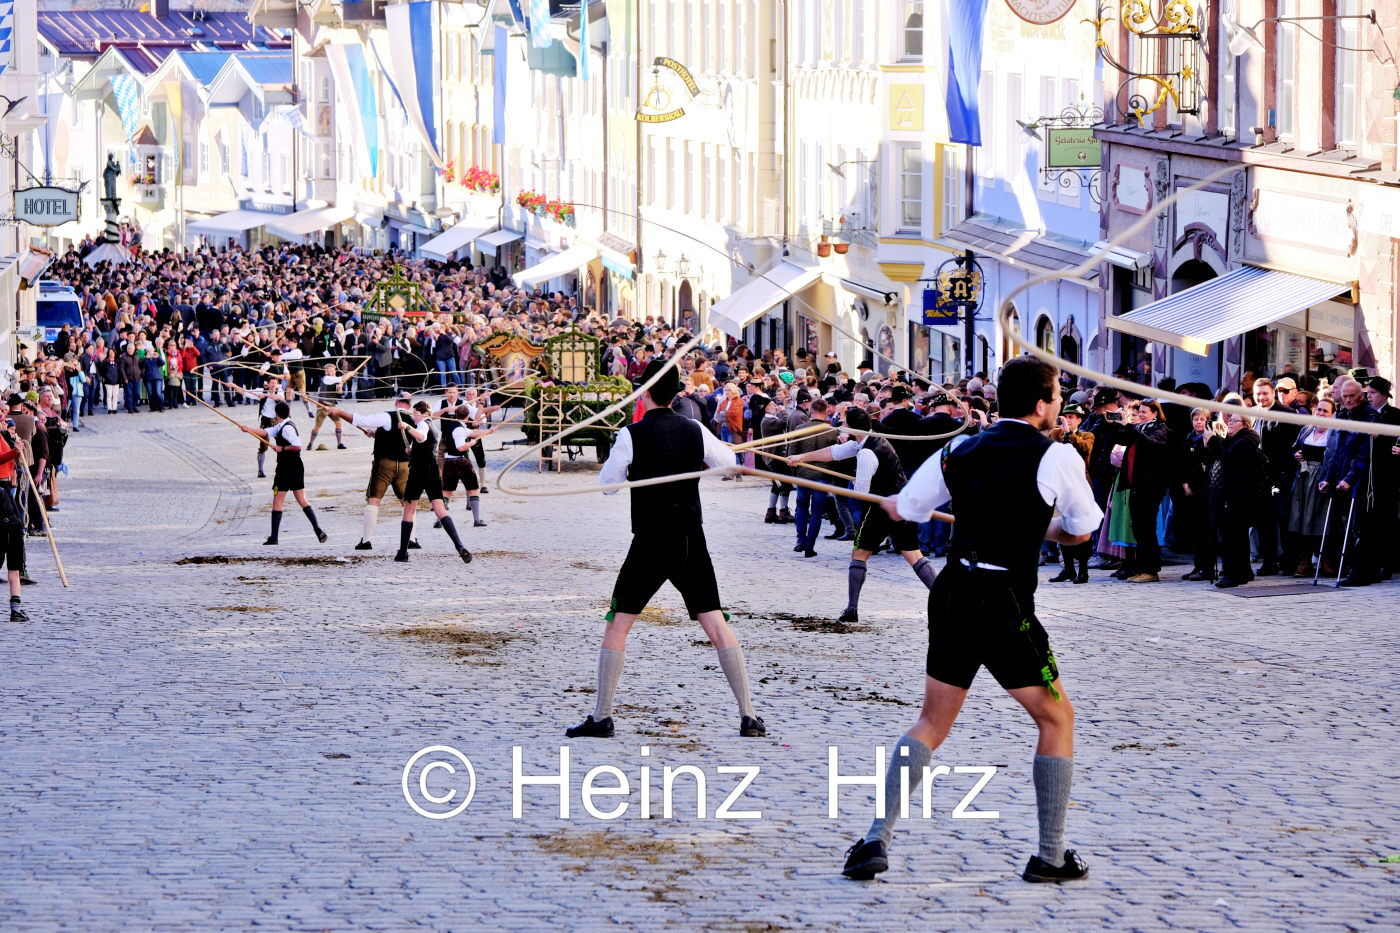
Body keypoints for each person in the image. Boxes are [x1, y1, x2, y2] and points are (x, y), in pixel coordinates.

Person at [840, 357, 1102, 884]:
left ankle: (874, 840)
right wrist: (1036, 525)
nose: (1059, 405)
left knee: (931, 722)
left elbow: (910, 508)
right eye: (1057, 397)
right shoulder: (1057, 455)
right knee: (1057, 718)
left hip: (954, 593)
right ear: (1041, 404)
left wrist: (896, 503)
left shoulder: (959, 448)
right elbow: (1080, 532)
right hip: (1005, 601)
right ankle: (1051, 856)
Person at [567, 358, 767, 740]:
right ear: (676, 394)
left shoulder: (631, 434)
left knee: (618, 623)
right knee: (716, 623)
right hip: (690, 537)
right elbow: (729, 464)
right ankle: (749, 715)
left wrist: (635, 468)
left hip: (651, 539)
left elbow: (608, 486)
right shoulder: (695, 429)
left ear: (645, 392)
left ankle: (602, 717)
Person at [788, 406, 939, 625]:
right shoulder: (866, 440)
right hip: (902, 502)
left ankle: (852, 609)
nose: (842, 426)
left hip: (881, 507)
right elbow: (834, 453)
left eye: (844, 423)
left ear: (852, 428)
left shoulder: (867, 453)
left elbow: (860, 493)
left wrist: (853, 479)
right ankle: (945, 598)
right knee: (913, 554)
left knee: (859, 553)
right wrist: (802, 457)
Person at [327, 392, 421, 551]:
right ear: (410, 405)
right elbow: (398, 435)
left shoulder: (387, 416)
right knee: (407, 502)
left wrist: (339, 412)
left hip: (384, 464)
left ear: (396, 401)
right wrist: (376, 433)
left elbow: (362, 420)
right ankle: (411, 539)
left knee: (374, 500)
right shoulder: (413, 420)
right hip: (405, 466)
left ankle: (366, 541)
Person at [238, 401, 327, 546]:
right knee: (301, 499)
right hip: (295, 466)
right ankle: (317, 530)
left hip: (286, 467)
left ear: (276, 414)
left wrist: (282, 448)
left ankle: (274, 538)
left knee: (278, 499)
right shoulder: (281, 425)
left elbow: (298, 446)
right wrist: (248, 429)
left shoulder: (287, 429)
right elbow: (266, 432)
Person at [395, 401, 473, 564]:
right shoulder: (434, 427)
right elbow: (424, 445)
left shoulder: (423, 424)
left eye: (415, 413)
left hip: (418, 472)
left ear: (424, 413)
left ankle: (402, 553)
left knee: (409, 509)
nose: (413, 416)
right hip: (433, 471)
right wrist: (411, 451)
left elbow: (421, 437)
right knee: (440, 510)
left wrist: (407, 427)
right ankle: (460, 546)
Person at [1205, 412, 1267, 588]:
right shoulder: (1235, 439)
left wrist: (1213, 442)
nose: (1230, 423)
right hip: (1233, 493)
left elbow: (1229, 460)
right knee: (1237, 535)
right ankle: (1243, 572)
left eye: (1234, 420)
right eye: (1229, 420)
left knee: (1231, 536)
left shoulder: (1246, 441)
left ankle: (1232, 574)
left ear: (1245, 424)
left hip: (1238, 494)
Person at [1251, 378, 1295, 576]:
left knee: (1283, 520)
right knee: (1264, 522)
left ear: (1273, 393)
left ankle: (1288, 561)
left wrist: (1284, 473)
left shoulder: (1286, 414)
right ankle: (1269, 562)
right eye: (1258, 394)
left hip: (1279, 476)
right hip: (1258, 478)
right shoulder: (1252, 413)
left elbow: (1292, 447)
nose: (1261, 397)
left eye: (1265, 393)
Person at [1047, 402, 1094, 584]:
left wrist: (1068, 433)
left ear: (1079, 420)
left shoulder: (1086, 435)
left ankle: (1083, 570)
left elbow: (1084, 449)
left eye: (1071, 417)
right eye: (1065, 417)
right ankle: (1068, 569)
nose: (1067, 420)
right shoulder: (1055, 434)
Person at [1288, 396, 1335, 577]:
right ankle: (1304, 560)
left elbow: (1336, 457)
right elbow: (1294, 449)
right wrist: (1297, 455)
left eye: (1325, 411)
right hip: (1304, 479)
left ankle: (1325, 559)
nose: (1321, 413)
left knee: (1321, 520)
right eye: (1319, 410)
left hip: (1322, 479)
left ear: (1332, 415)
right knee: (1301, 519)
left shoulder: (1333, 433)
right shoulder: (1306, 430)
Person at [1180, 408, 1218, 582]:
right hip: (1191, 489)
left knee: (1206, 532)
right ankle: (1198, 565)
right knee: (1195, 531)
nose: (1199, 422)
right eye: (1196, 419)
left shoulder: (1211, 439)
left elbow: (1209, 463)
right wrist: (1185, 482)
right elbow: (1184, 463)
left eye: (1202, 419)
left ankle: (1207, 568)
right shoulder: (1189, 438)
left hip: (1205, 489)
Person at [0, 403, 29, 621]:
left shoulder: (3, 435)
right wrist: (14, 452)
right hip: (2, 496)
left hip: (6, 491)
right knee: (13, 567)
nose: (4, 415)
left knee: (14, 567)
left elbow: (8, 460)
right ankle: (16, 610)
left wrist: (15, 452)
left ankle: (16, 609)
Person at [305, 363, 347, 451]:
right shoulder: (327, 378)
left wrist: (340, 387)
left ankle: (339, 444)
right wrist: (346, 376)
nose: (331, 372)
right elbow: (341, 378)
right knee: (317, 426)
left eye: (332, 371)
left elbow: (339, 392)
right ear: (326, 372)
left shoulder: (334, 379)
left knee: (338, 423)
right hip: (323, 405)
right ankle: (310, 444)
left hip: (332, 405)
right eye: (329, 371)